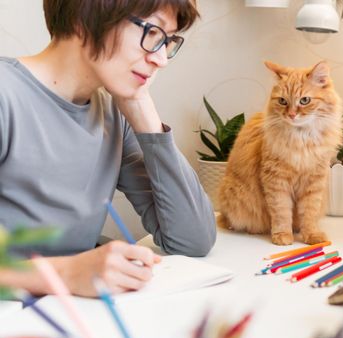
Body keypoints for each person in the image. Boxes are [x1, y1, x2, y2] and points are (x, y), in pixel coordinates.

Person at [0, 0, 216, 297]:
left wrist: (142, 109)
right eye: (153, 32)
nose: (161, 59)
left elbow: (193, 239)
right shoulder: (5, 95)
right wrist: (68, 273)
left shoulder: (113, 115)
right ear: (84, 17)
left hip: (82, 324)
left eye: (167, 41)